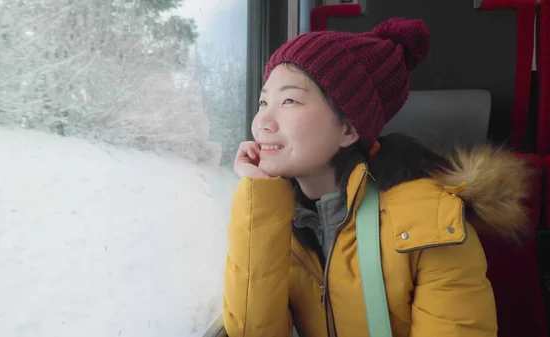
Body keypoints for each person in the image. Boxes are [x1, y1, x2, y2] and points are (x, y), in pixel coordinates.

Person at [222, 18, 531, 337]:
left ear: (348, 129)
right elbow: (252, 332)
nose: (261, 122)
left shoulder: (431, 221)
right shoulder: (272, 215)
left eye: (289, 101)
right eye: (263, 101)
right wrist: (260, 198)